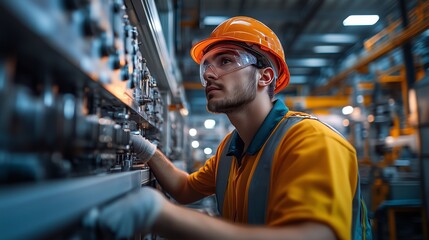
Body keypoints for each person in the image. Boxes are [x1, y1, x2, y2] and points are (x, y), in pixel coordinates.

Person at [98, 16, 369, 240]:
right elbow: (184, 188)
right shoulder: (231, 148)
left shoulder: (311, 140)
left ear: (265, 76)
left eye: (226, 61)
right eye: (207, 65)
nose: (208, 74)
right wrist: (143, 148)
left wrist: (160, 215)